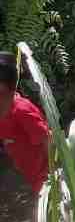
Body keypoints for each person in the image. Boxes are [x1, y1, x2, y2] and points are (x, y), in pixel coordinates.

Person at [0, 53, 51, 196]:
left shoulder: (22, 111)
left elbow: (48, 141)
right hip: (33, 177)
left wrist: (56, 178)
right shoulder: (3, 113)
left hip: (48, 179)